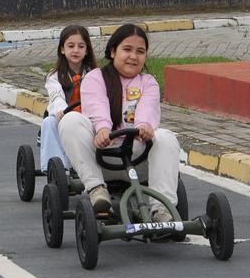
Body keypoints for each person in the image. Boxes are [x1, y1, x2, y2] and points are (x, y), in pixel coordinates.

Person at [57, 23, 181, 222]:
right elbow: (97, 105)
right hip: (102, 159)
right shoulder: (95, 78)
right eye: (127, 49)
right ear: (113, 51)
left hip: (137, 160)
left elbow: (148, 108)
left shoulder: (148, 82)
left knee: (166, 137)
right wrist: (103, 129)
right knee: (70, 120)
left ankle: (162, 210)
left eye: (140, 52)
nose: (133, 56)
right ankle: (97, 190)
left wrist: (145, 126)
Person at [40, 25, 96, 170]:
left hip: (87, 116)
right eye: (71, 46)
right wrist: (63, 111)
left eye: (81, 46)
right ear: (62, 49)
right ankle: (58, 169)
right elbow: (56, 96)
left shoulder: (95, 74)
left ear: (87, 50)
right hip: (62, 116)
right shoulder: (54, 76)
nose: (76, 50)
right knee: (49, 122)